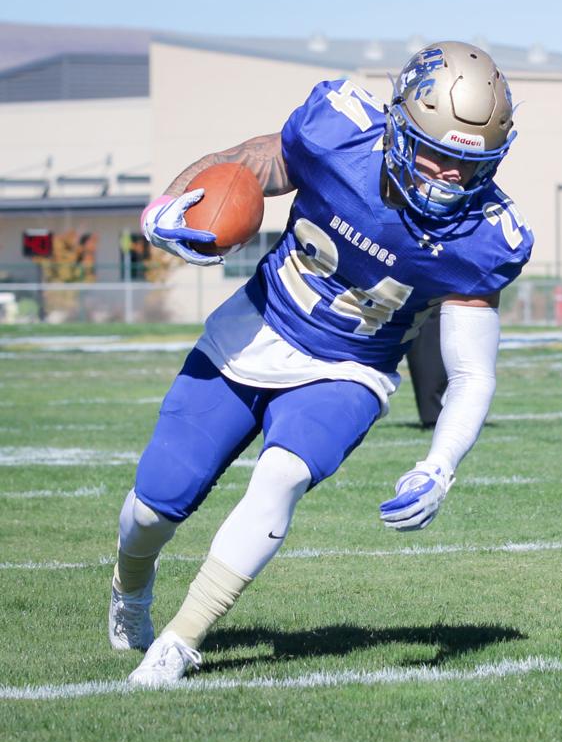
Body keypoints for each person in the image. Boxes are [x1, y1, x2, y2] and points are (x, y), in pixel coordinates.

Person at [107, 41, 533, 687]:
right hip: (256, 327)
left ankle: (179, 642)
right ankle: (130, 591)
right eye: (438, 154)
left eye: (468, 166)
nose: (449, 177)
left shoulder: (484, 238)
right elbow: (245, 164)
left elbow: (473, 372)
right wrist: (172, 207)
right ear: (397, 128)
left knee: (281, 476)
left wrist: (439, 467)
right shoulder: (338, 133)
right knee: (152, 507)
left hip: (349, 368)